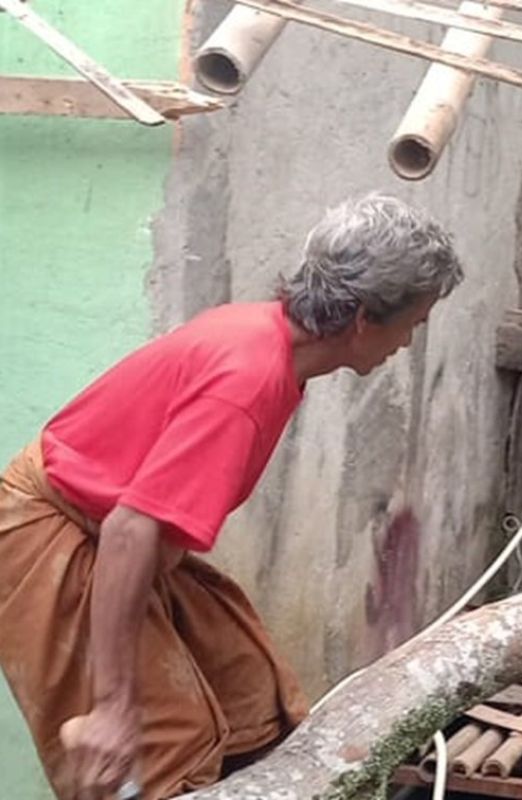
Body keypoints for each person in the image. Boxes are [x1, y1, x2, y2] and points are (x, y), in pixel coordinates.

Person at [0, 194, 464, 800]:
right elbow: (129, 530)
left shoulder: (265, 337)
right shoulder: (246, 382)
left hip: (118, 534)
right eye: (413, 322)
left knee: (253, 700)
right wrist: (112, 705)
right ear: (362, 319)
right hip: (55, 536)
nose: (408, 341)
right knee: (163, 751)